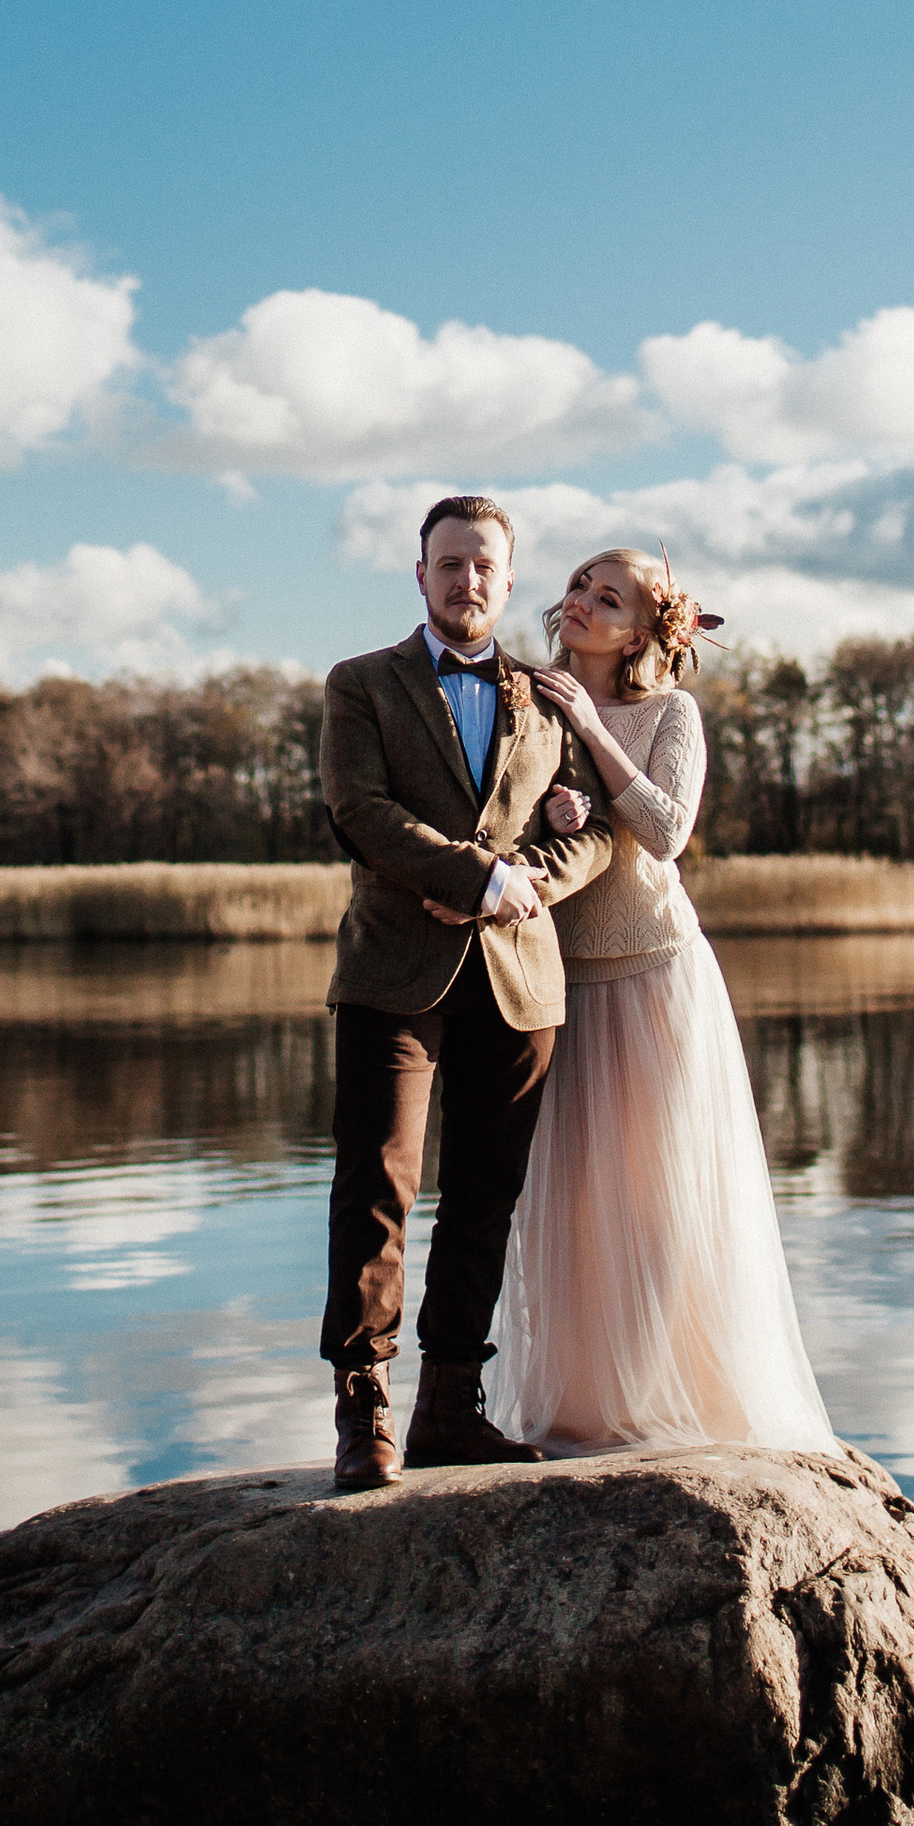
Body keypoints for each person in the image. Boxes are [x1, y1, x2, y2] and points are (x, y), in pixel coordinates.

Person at [488, 548, 835, 1453]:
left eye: (610, 599)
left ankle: (683, 1401)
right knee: (569, 1205)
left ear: (645, 631)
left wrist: (593, 742)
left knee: (658, 1199)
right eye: (578, 587)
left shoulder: (668, 711)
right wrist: (555, 814)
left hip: (653, 976)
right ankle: (581, 1411)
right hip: (557, 978)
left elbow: (669, 832)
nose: (583, 605)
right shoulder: (519, 692)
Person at [316, 493, 617, 1492]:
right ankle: (365, 1411)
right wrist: (472, 878)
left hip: (519, 978)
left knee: (485, 1197)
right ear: (420, 576)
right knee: (377, 1191)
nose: (467, 581)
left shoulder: (550, 695)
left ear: (507, 577)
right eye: (449, 564)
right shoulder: (360, 685)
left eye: (484, 565)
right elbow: (358, 810)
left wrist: (521, 884)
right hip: (393, 974)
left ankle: (451, 1405)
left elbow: (598, 830)